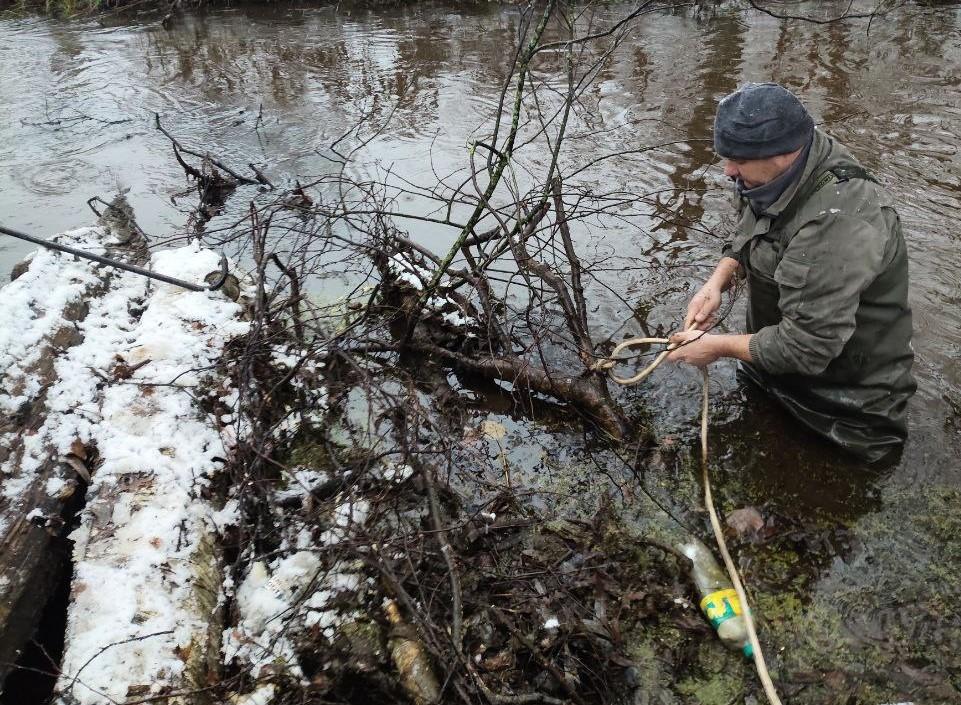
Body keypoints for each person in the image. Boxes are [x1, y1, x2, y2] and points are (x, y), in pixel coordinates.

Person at [667, 82, 915, 462]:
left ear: (783, 155)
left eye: (736, 160)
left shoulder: (840, 221)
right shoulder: (761, 172)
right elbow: (752, 225)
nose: (726, 170)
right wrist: (717, 281)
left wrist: (717, 347)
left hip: (846, 408)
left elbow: (807, 346)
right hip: (772, 371)